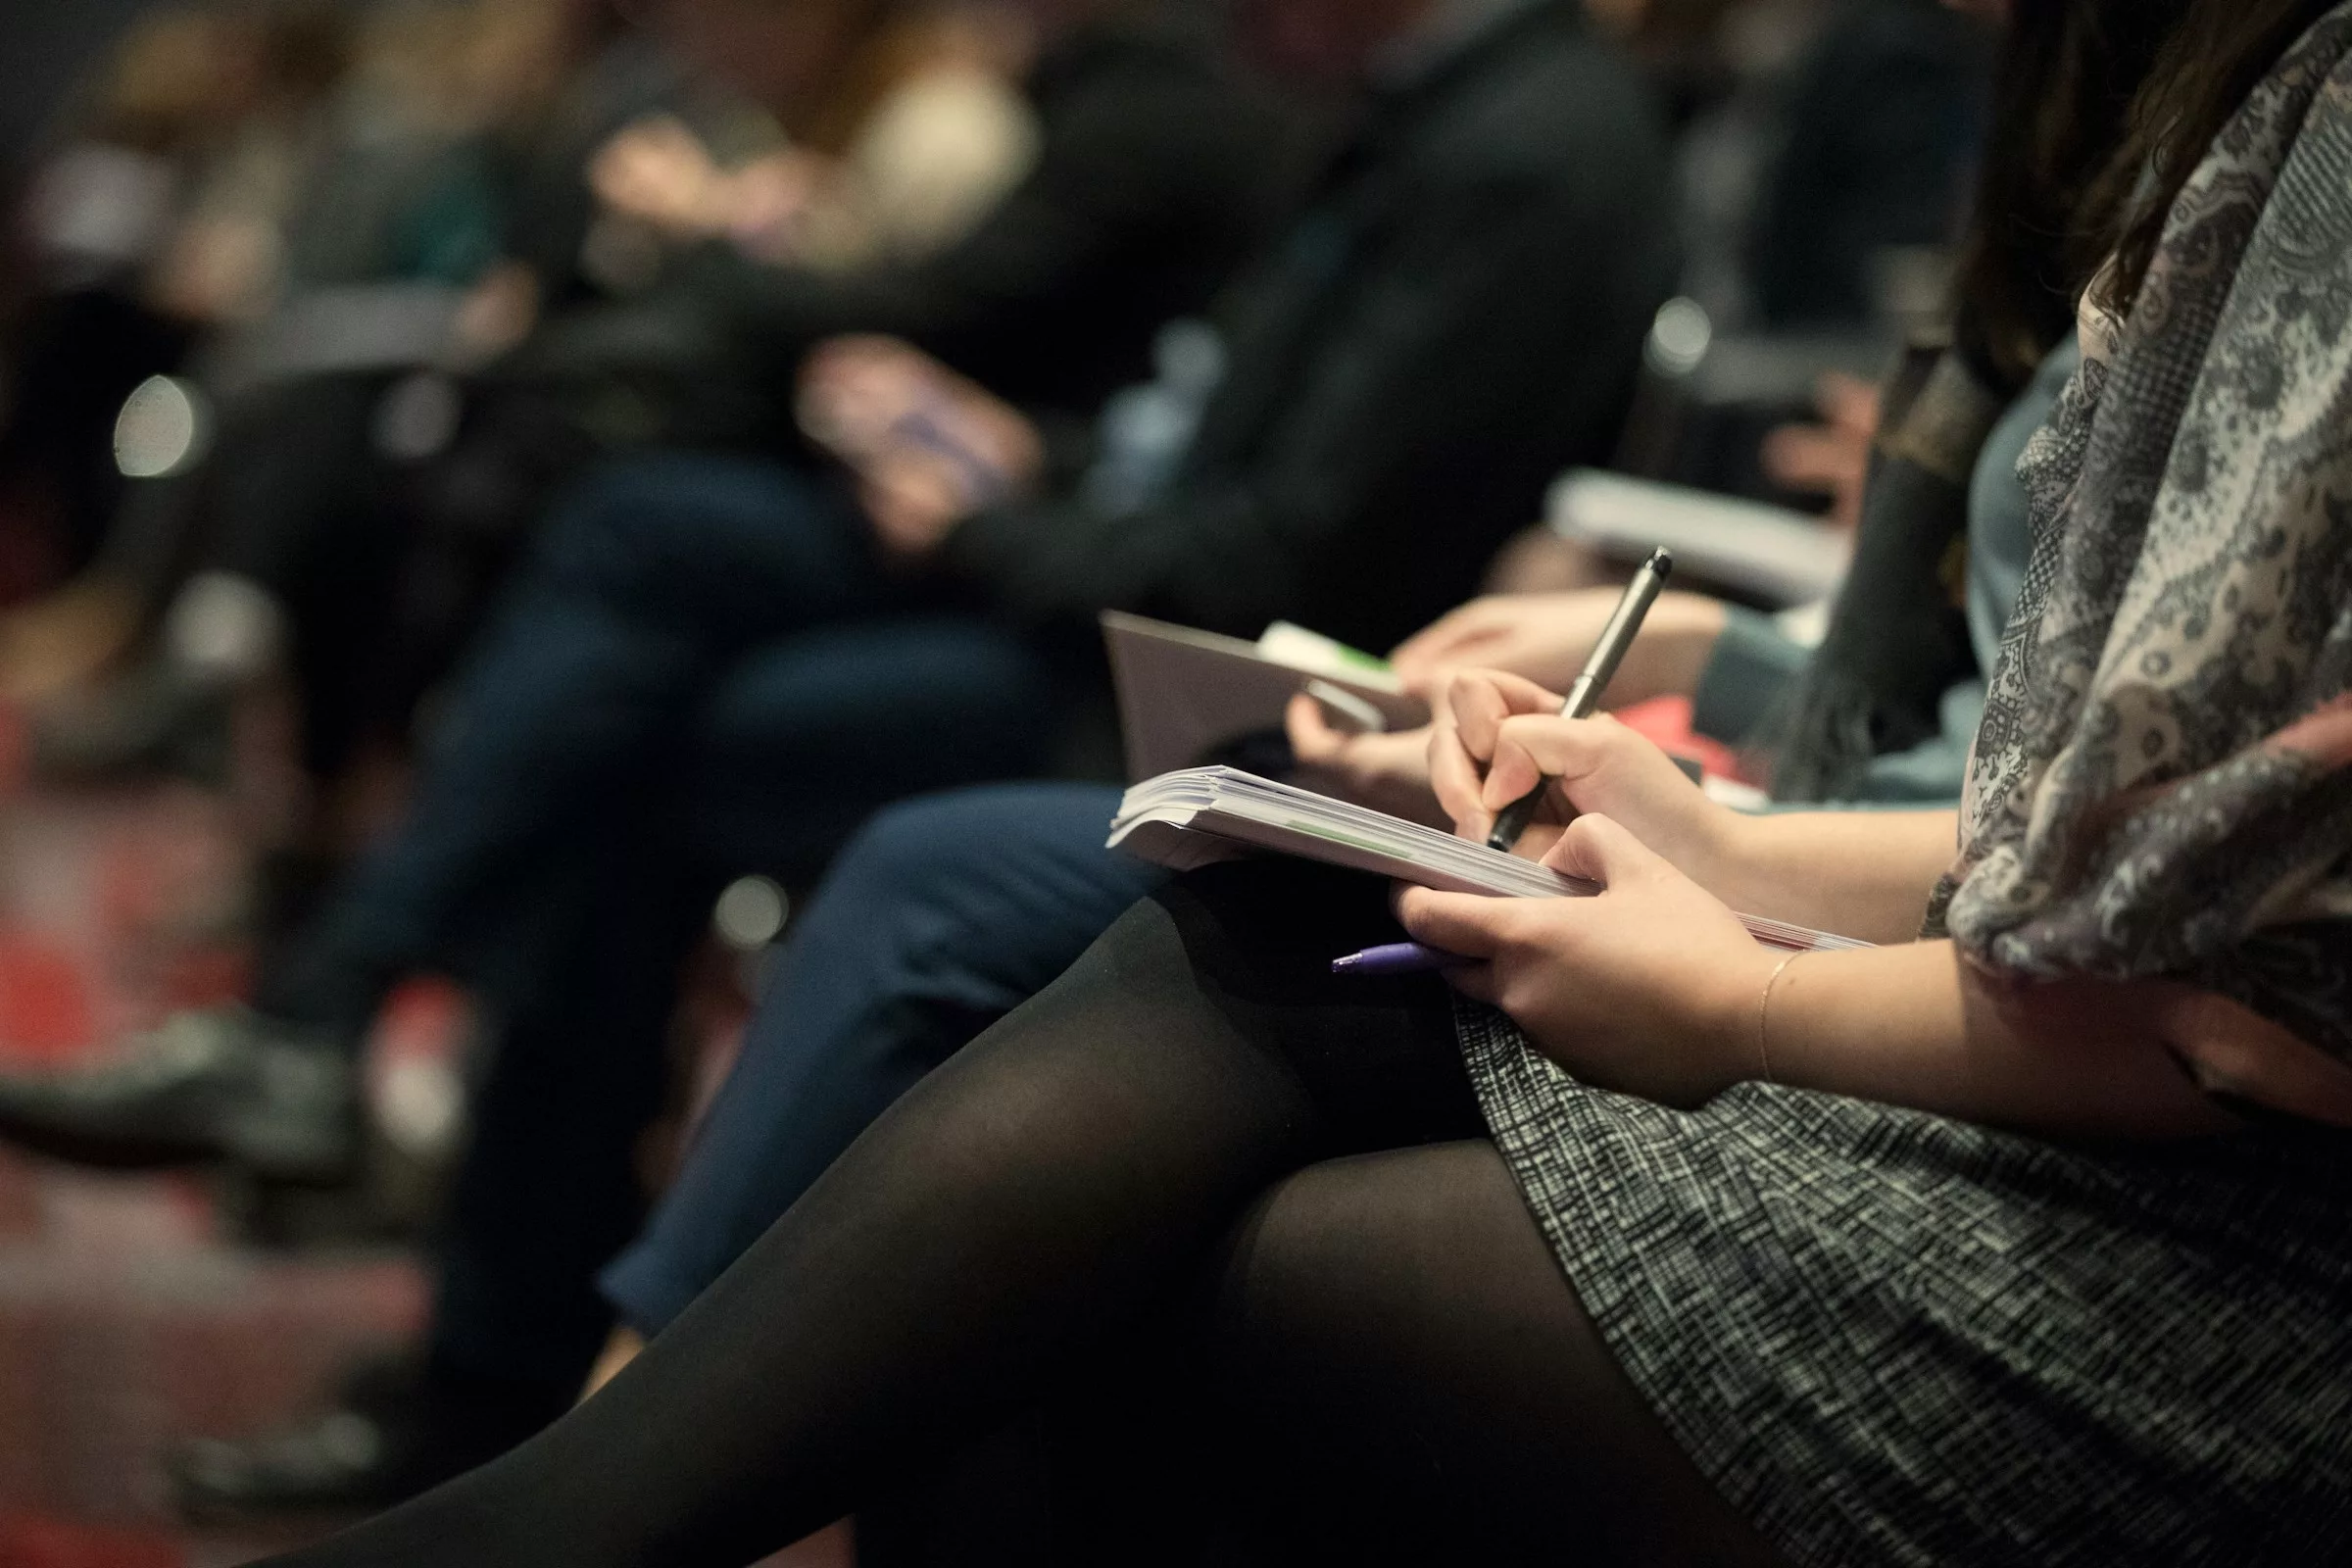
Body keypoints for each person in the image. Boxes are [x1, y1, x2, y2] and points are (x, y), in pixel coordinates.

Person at [233, 0, 2352, 1561]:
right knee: (1034, 836)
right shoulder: (2194, 115)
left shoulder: (1539, 140)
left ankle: (537, 1458)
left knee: (1070, 1153)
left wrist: (1754, 964)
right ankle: (521, 1422)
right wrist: (1712, 818)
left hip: (2217, 1257)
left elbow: (2230, 989)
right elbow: (2073, 816)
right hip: (1990, 983)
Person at [1, 0, 1678, 1513]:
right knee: (632, 560)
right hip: (1103, 592)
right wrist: (1025, 463)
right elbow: (1198, 433)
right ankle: (488, 1337)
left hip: (1237, 696)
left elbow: (1284, 562)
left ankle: (524, 1397)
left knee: (666, 737)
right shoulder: (1397, 94)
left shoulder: (1510, 145)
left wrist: (997, 512)